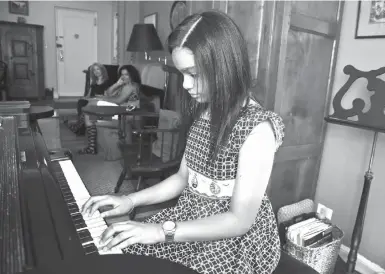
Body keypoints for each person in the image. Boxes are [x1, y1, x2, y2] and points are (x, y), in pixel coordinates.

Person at [81, 10, 285, 274]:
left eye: (193, 73)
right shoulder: (207, 111)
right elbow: (181, 178)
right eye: (182, 74)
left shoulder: (258, 129)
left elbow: (239, 221)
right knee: (127, 251)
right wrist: (129, 201)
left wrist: (157, 231)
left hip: (232, 242)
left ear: (224, 66)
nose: (186, 84)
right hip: (190, 219)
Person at [78, 64, 142, 155]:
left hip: (124, 115)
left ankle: (91, 147)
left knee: (90, 110)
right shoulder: (124, 84)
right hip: (119, 112)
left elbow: (119, 101)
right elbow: (108, 93)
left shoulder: (131, 86)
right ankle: (91, 147)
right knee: (88, 114)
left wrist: (101, 99)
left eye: (126, 74)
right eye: (122, 74)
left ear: (132, 75)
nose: (124, 77)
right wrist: (117, 84)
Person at [67, 63, 111, 135]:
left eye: (98, 69)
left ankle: (78, 127)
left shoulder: (107, 82)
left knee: (85, 106)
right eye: (94, 70)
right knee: (81, 102)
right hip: (92, 100)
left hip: (100, 102)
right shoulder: (94, 82)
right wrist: (84, 98)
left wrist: (95, 98)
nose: (96, 71)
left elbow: (106, 97)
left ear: (102, 70)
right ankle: (80, 127)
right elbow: (88, 96)